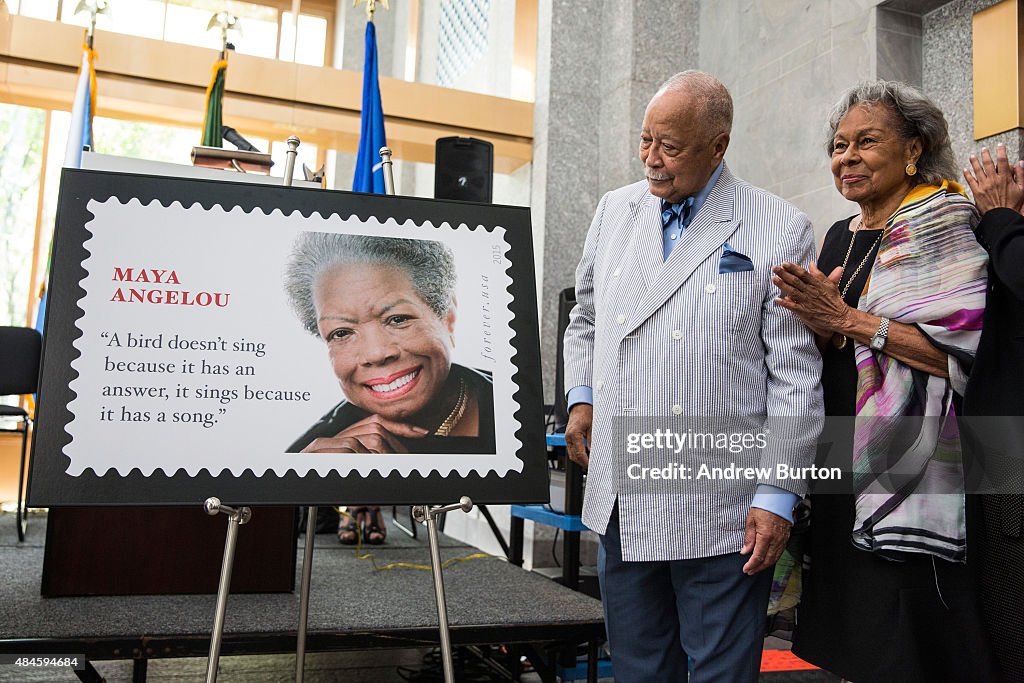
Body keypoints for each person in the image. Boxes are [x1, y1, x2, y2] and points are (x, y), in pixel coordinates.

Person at [562, 70, 823, 682]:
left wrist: (778, 497)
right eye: (645, 140)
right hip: (624, 496)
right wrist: (581, 399)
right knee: (640, 669)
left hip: (722, 506)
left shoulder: (776, 226)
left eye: (670, 146)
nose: (652, 160)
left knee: (717, 674)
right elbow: (587, 319)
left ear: (719, 145)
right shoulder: (615, 211)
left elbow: (795, 377)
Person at [778, 80, 997, 681]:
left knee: (905, 628)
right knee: (851, 628)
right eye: (838, 145)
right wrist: (819, 322)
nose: (846, 157)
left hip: (912, 461)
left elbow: (965, 351)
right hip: (837, 456)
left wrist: (846, 319)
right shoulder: (839, 236)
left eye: (866, 141)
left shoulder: (943, 221)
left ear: (914, 148)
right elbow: (828, 344)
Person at [283, 232, 496, 543]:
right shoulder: (316, 442)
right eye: (341, 332)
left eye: (397, 319)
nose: (375, 353)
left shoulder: (507, 411)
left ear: (447, 318)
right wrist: (302, 481)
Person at [962, 143, 1024, 681]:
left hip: (1008, 449)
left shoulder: (1006, 229)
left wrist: (1002, 218)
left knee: (1009, 618)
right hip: (994, 441)